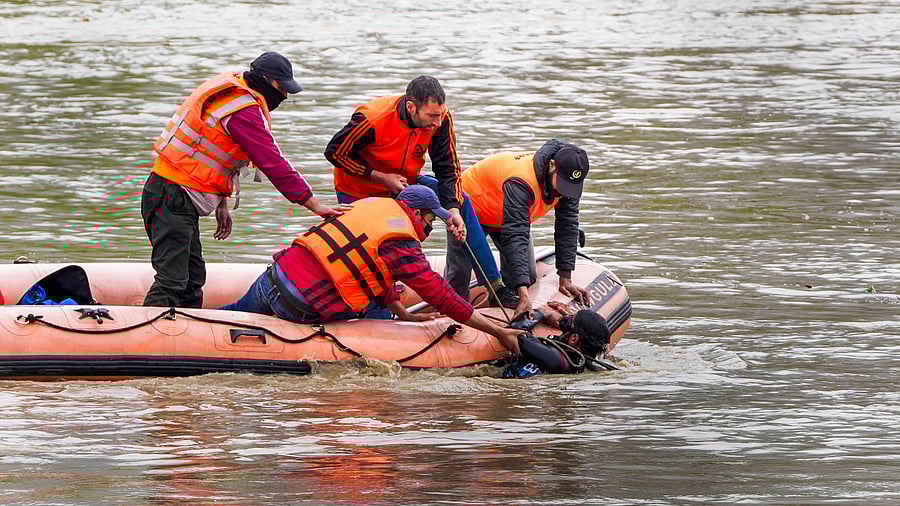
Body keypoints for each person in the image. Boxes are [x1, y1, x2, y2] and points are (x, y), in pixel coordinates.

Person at [141, 51, 341, 308]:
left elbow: (214, 150)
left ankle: (185, 338)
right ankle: (145, 338)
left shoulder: (234, 88)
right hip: (171, 195)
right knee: (173, 281)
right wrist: (314, 204)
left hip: (180, 194)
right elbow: (273, 162)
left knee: (192, 280)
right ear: (267, 82)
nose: (285, 96)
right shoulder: (242, 111)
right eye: (283, 89)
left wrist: (221, 202)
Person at [221, 185, 524, 353]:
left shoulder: (368, 207)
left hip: (273, 278)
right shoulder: (401, 240)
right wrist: (497, 331)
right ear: (417, 214)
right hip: (300, 305)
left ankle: (176, 322)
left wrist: (403, 312)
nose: (430, 228)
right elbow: (441, 294)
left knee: (226, 315)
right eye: (432, 221)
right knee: (377, 315)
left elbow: (368, 264)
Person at [323, 75, 519, 309]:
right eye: (432, 116)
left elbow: (447, 168)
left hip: (405, 184)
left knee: (462, 201)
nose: (437, 122)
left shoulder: (441, 120)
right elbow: (335, 153)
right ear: (411, 107)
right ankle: (369, 301)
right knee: (371, 247)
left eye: (440, 114)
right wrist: (380, 177)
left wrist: (452, 209)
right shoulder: (372, 118)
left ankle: (495, 286)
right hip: (359, 188)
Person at [452, 139, 593, 317]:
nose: (565, 191)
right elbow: (515, 233)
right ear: (551, 166)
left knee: (529, 275)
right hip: (471, 204)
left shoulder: (569, 181)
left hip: (505, 212)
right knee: (459, 273)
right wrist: (523, 293)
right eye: (564, 184)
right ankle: (454, 316)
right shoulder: (522, 181)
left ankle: (498, 307)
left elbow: (568, 226)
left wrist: (565, 277)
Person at [500, 301, 611, 378]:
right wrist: (564, 321)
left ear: (573, 339)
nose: (564, 321)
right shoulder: (579, 363)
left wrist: (541, 312)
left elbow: (514, 332)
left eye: (569, 321)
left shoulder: (556, 359)